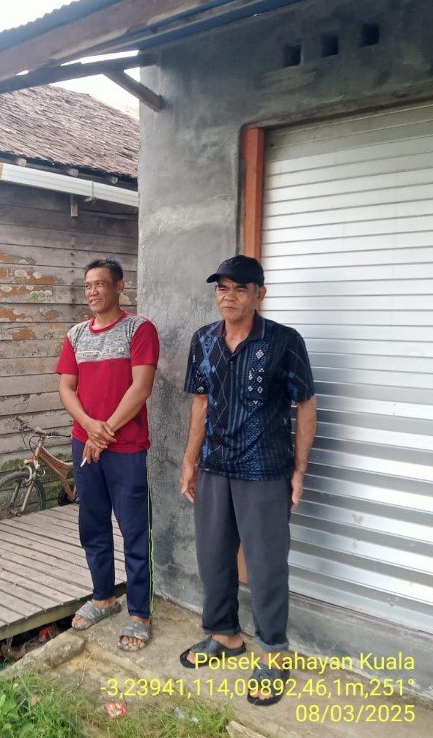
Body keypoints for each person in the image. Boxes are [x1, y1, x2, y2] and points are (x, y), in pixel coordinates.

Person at [179, 255, 317, 706]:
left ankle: (274, 652)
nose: (228, 296)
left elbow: (306, 406)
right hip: (216, 466)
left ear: (260, 293)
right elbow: (200, 403)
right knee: (213, 555)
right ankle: (225, 635)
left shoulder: (283, 341)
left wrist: (299, 470)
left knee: (266, 564)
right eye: (221, 288)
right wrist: (189, 461)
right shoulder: (203, 340)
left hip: (265, 469)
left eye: (239, 288)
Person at [56, 258, 160, 652]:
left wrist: (106, 431)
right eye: (88, 285)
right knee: (92, 524)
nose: (94, 291)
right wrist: (89, 426)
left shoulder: (139, 329)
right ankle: (103, 597)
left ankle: (140, 614)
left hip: (126, 448)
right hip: (86, 445)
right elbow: (67, 388)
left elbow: (141, 388)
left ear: (120, 287)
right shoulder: (76, 335)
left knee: (135, 530)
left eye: (101, 284)